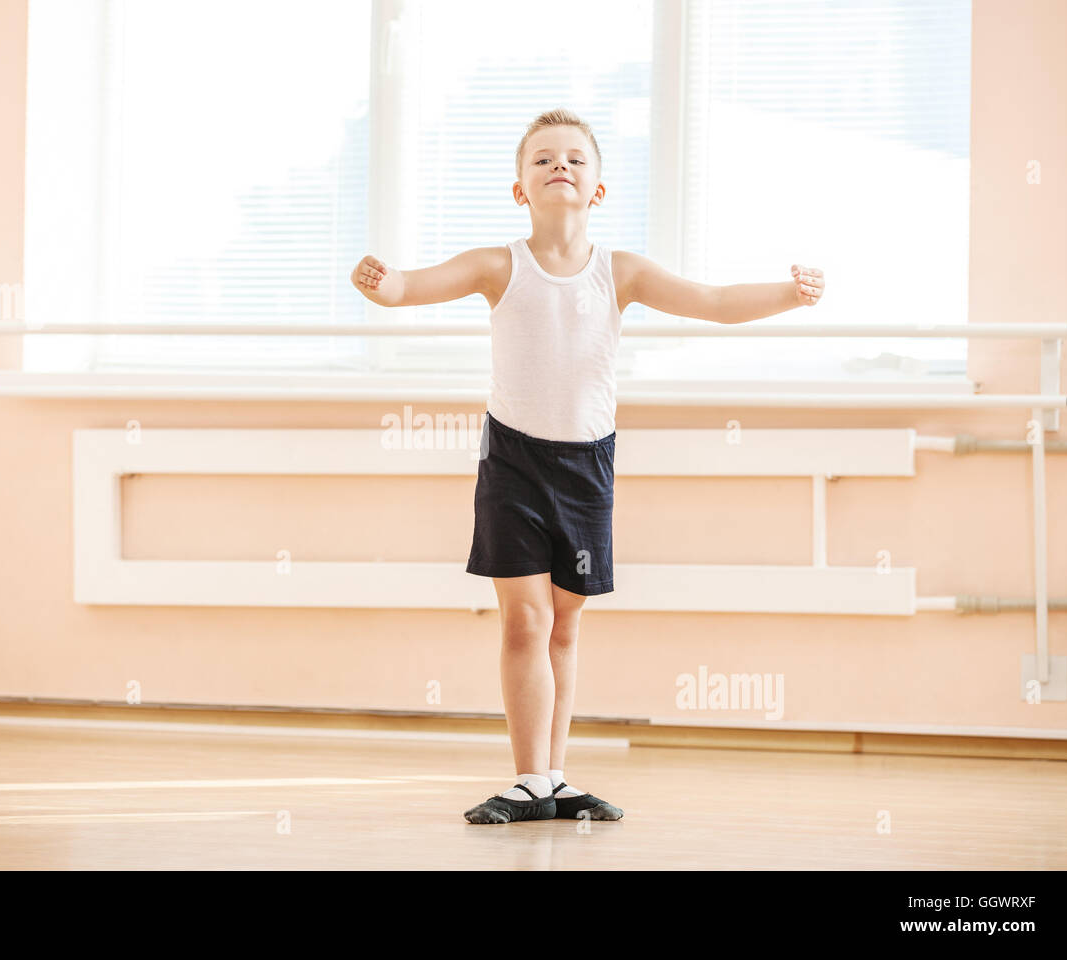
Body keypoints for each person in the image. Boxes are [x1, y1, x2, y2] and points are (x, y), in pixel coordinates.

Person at [350, 108, 824, 824]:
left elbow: (714, 302)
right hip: (512, 462)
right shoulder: (497, 265)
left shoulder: (619, 271)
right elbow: (409, 287)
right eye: (542, 159)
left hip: (586, 467)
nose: (559, 167)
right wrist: (379, 282)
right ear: (520, 189)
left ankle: (553, 778)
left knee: (564, 629)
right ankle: (527, 780)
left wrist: (791, 293)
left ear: (598, 188)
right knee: (525, 621)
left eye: (574, 158)